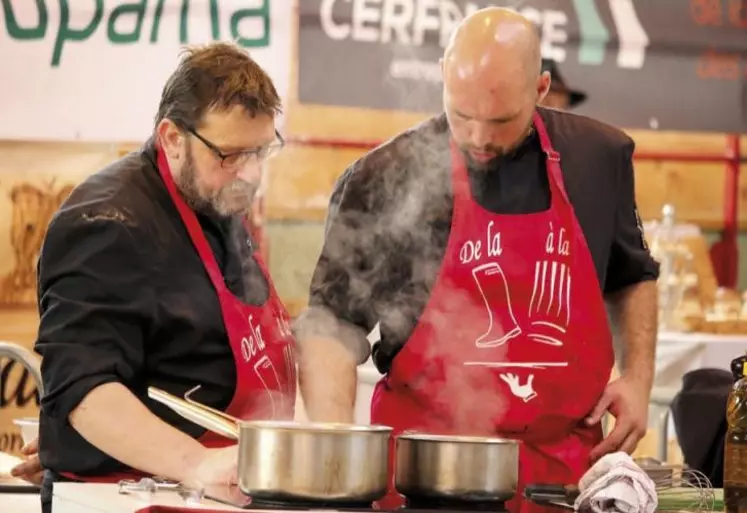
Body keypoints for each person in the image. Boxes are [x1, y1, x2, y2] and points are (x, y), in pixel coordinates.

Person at [295, 7, 658, 513]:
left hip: (563, 479)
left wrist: (638, 378)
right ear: (444, 72)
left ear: (541, 88)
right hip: (426, 477)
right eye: (462, 115)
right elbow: (331, 324)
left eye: (501, 120)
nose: (481, 138)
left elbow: (633, 274)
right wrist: (337, 456)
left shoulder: (598, 159)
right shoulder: (383, 177)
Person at [10, 42, 296, 512]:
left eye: (262, 151)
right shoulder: (106, 223)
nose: (251, 173)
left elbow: (183, 361)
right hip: (132, 499)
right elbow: (83, 388)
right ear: (172, 138)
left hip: (215, 493)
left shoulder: (216, 201)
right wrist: (198, 464)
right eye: (230, 155)